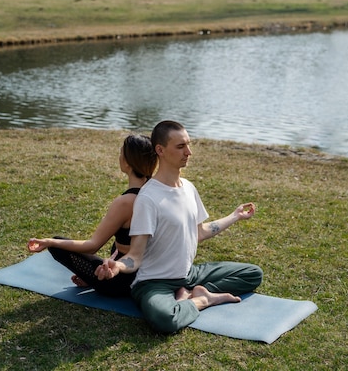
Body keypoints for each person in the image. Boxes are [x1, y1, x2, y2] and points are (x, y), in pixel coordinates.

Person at [95, 120, 263, 333]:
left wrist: (235, 216)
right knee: (165, 319)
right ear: (160, 150)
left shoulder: (189, 188)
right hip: (154, 282)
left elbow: (199, 232)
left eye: (188, 145)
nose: (189, 152)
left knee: (253, 274)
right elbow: (136, 255)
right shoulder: (148, 198)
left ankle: (193, 292)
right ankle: (201, 301)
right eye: (181, 146)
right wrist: (117, 266)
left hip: (188, 274)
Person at [27, 134, 157, 297]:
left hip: (123, 282)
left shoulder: (125, 203)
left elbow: (92, 245)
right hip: (155, 275)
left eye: (121, 152)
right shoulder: (157, 192)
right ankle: (93, 276)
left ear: (127, 162)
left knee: (58, 245)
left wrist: (49, 242)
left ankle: (95, 277)